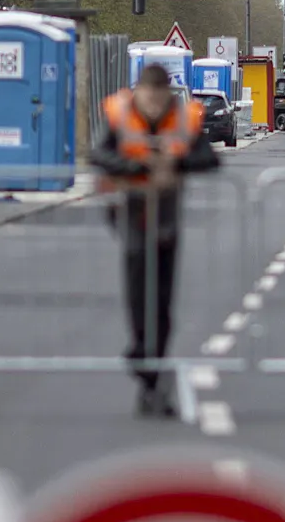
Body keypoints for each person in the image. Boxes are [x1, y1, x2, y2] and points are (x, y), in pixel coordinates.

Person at [92, 62, 220, 416]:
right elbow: (99, 153)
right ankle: (144, 360)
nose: (153, 105)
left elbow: (208, 157)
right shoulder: (120, 113)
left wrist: (176, 163)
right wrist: (134, 167)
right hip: (131, 212)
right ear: (140, 92)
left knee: (163, 302)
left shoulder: (183, 117)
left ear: (167, 95)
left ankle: (151, 370)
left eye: (159, 98)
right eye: (148, 98)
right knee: (139, 295)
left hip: (165, 214)